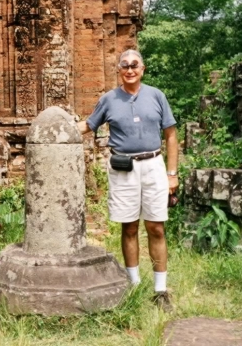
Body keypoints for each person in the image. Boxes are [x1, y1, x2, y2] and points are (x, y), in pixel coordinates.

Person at [77, 49, 179, 311]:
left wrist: (172, 174)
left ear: (142, 69)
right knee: (129, 227)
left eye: (135, 65)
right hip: (123, 168)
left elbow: (170, 135)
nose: (130, 70)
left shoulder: (156, 96)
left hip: (154, 165)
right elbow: (88, 125)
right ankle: (132, 285)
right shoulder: (109, 99)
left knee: (156, 227)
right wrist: (57, 124)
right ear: (119, 70)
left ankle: (160, 290)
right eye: (125, 66)